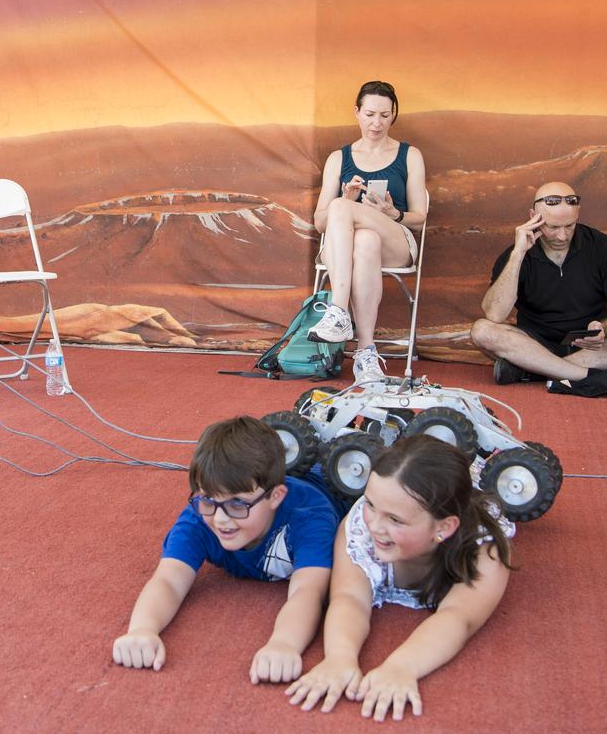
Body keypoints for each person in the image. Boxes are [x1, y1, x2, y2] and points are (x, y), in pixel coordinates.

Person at [285, 435, 514, 722]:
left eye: (395, 520)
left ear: (443, 528)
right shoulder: (360, 527)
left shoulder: (484, 548)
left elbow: (458, 616)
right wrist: (339, 658)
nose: (376, 527)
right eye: (370, 504)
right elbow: (350, 598)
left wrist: (401, 667)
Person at [112, 416, 342, 683]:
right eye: (208, 498)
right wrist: (142, 629)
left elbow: (307, 592)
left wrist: (285, 644)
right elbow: (168, 580)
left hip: (326, 480)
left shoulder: (310, 518)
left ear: (275, 497)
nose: (220, 519)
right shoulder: (200, 518)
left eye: (237, 504)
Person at [470, 181, 607, 398]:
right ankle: (589, 377)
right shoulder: (515, 253)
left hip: (590, 347)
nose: (562, 236)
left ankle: (533, 371)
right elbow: (494, 314)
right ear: (533, 216)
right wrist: (518, 255)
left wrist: (604, 328)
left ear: (578, 213)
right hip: (534, 343)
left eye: (569, 226)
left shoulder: (603, 247)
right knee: (482, 330)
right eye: (552, 227)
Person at [307, 81, 428, 383]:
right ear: (357, 113)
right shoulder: (339, 158)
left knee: (342, 210)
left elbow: (419, 219)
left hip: (397, 239)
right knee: (363, 239)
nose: (377, 123)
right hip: (352, 244)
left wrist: (392, 212)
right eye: (370, 114)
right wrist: (348, 201)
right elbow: (321, 222)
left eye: (385, 115)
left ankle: (337, 311)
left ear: (393, 116)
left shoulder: (409, 155)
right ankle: (366, 353)